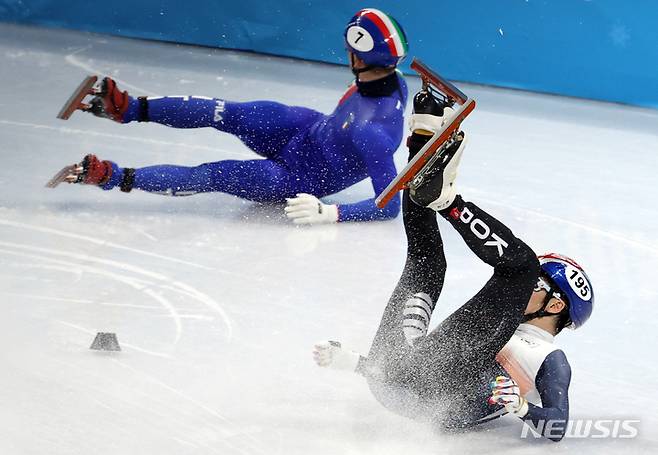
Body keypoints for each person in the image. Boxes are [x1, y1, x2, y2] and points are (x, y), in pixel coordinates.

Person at [313, 88, 595, 441]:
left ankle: (445, 200)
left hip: (432, 398)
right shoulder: (498, 324)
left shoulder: (549, 357)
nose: (529, 286)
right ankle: (423, 145)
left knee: (522, 266)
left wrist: (522, 408)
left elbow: (557, 427)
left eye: (539, 284)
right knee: (427, 264)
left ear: (555, 305)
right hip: (394, 378)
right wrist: (359, 365)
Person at [56, 8, 409, 224]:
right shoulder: (385, 79)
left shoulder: (372, 133)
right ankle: (126, 109)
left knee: (212, 175)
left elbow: (389, 206)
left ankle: (110, 176)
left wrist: (332, 213)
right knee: (223, 111)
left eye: (350, 51)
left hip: (296, 176)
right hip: (306, 129)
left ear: (361, 59)